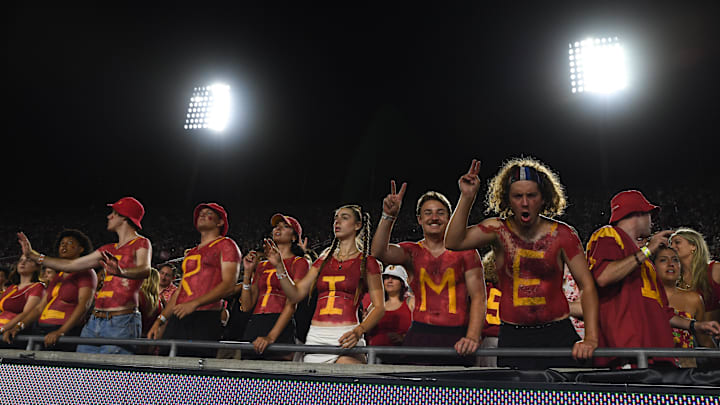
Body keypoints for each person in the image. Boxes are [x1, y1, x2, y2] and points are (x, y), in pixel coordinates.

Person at [445, 158, 599, 369]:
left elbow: (587, 285)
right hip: (514, 335)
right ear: (507, 200)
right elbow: (453, 241)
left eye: (531, 195)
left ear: (543, 198)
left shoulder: (563, 234)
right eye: (518, 196)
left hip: (557, 332)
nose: (525, 203)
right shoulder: (497, 230)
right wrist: (466, 197)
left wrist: (590, 337)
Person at [585, 190, 720, 367]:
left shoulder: (646, 264)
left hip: (657, 356)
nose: (652, 222)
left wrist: (695, 326)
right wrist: (648, 249)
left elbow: (663, 312)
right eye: (650, 215)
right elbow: (603, 276)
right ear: (637, 214)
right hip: (626, 356)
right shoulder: (609, 234)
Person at [17, 197, 151, 354]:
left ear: (124, 217)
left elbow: (145, 269)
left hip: (121, 320)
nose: (109, 216)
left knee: (109, 375)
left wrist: (122, 272)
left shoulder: (141, 243)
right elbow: (71, 265)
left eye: (113, 213)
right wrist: (34, 255)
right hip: (94, 321)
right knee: (81, 373)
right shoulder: (107, 249)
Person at [371, 182, 485, 365]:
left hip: (456, 334)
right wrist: (388, 216)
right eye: (428, 213)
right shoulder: (412, 251)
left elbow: (479, 296)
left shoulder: (467, 251)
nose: (434, 217)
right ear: (419, 219)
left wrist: (472, 336)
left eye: (440, 213)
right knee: (415, 392)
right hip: (420, 334)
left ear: (449, 218)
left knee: (456, 393)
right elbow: (378, 252)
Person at [275, 204, 385, 364]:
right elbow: (295, 294)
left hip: (347, 334)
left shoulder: (367, 262)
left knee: (345, 383)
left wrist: (359, 331)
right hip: (316, 335)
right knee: (315, 388)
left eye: (344, 218)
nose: (337, 222)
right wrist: (279, 266)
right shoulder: (322, 261)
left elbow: (379, 306)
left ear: (357, 225)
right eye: (336, 218)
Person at [148, 202, 241, 358]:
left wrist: (195, 303)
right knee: (167, 365)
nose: (202, 215)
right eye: (200, 213)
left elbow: (229, 285)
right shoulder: (191, 253)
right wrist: (160, 320)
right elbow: (181, 290)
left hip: (205, 317)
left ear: (220, 222)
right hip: (180, 314)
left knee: (194, 369)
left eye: (208, 213)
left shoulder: (226, 245)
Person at [4, 229, 97, 351]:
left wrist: (61, 332)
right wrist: (18, 327)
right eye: (61, 243)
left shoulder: (86, 272)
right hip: (42, 330)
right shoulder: (58, 276)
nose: (63, 245)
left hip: (64, 333)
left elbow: (84, 305)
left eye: (69, 242)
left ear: (81, 249)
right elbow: (39, 308)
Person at [240, 214, 309, 359]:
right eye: (277, 226)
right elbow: (246, 306)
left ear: (294, 237)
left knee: (275, 377)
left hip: (280, 324)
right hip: (255, 322)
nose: (278, 228)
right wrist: (247, 272)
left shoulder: (299, 263)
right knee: (248, 377)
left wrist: (270, 337)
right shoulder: (262, 265)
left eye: (285, 226)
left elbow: (292, 304)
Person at [654, 247, 714, 367]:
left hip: (686, 372)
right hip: (653, 369)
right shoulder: (644, 297)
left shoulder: (694, 299)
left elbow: (705, 341)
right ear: (652, 266)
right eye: (663, 260)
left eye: (675, 260)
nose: (671, 264)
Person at [669, 228, 720, 323]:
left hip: (712, 334)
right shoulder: (673, 277)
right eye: (670, 243)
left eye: (677, 242)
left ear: (693, 246)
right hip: (685, 335)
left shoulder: (715, 269)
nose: (672, 246)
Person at [364, 264, 414, 360]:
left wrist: (404, 338)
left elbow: (420, 327)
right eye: (386, 278)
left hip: (403, 356)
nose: (389, 281)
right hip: (374, 356)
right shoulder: (375, 304)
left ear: (402, 282)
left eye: (394, 278)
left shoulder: (411, 302)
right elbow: (367, 332)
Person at [0, 256, 44, 347]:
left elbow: (26, 313)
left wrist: (3, 328)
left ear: (37, 267)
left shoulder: (37, 287)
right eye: (21, 260)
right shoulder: (12, 288)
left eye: (28, 260)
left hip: (11, 333)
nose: (22, 263)